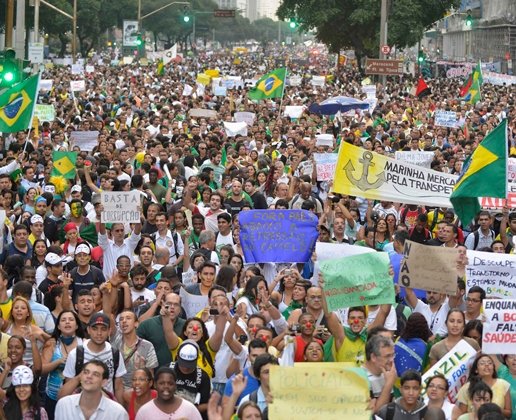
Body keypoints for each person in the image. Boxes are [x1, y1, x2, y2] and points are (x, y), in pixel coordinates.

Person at [60, 312, 127, 402]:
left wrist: (120, 410)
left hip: (107, 407)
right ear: (88, 330)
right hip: (81, 406)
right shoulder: (75, 354)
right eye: (95, 329)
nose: (99, 333)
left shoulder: (115, 354)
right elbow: (67, 389)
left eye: (103, 329)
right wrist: (81, 376)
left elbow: (118, 387)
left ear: (109, 331)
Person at [42, 310, 85, 420]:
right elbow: (41, 369)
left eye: (71, 320)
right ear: (58, 326)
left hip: (79, 397)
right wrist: (58, 362)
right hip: (53, 397)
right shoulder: (52, 343)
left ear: (76, 325)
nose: (67, 322)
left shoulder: (85, 343)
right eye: (63, 320)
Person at [55, 360, 128, 420]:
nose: (89, 376)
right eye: (86, 372)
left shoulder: (118, 413)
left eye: (95, 374)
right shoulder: (63, 405)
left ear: (104, 382)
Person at [452, 354, 512, 419]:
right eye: (482, 363)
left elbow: (509, 414)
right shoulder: (466, 388)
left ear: (493, 368)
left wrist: (494, 408)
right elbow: (461, 413)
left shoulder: (503, 384)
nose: (486, 365)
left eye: (489, 363)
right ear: (476, 370)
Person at [135, 367, 202, 420]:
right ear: (155, 385)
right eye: (161, 383)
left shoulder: (189, 409)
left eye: (170, 383)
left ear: (175, 386)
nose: (166, 387)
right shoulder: (144, 411)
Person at [171, 340, 211, 419]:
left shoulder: (203, 377)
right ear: (177, 356)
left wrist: (188, 409)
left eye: (189, 365)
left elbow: (205, 404)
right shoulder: (168, 370)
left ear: (196, 359)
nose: (185, 368)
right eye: (183, 364)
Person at [363, 334, 397, 413]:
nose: (392, 360)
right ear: (373, 357)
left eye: (393, 355)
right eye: (387, 356)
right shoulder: (361, 379)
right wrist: (388, 384)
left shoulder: (386, 373)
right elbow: (375, 413)